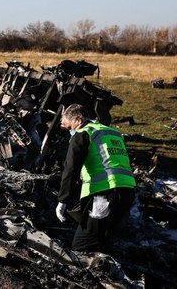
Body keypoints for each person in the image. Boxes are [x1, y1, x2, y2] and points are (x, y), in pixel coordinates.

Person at [56, 103, 136, 252]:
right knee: (102, 240)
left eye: (69, 128)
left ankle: (85, 273)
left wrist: (62, 200)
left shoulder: (84, 133)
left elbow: (71, 168)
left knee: (82, 245)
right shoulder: (112, 133)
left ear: (78, 120)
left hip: (105, 194)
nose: (69, 132)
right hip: (127, 192)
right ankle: (104, 270)